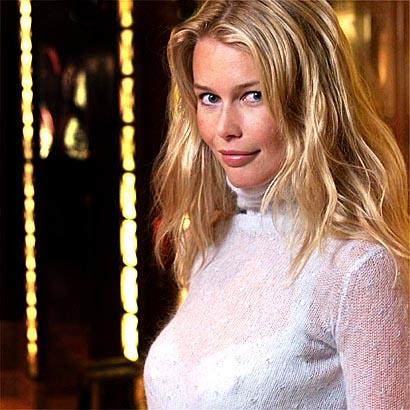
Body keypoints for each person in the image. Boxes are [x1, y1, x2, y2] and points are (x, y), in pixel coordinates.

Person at [143, 0, 409, 408]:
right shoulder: (213, 239)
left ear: (311, 103)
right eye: (209, 98)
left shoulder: (359, 269)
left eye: (253, 96)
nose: (224, 128)